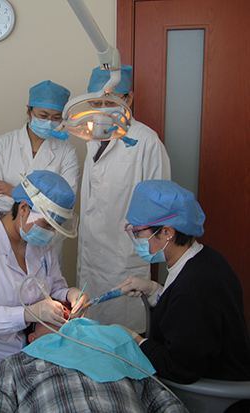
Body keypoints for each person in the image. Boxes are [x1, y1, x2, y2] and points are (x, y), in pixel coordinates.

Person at [0, 170, 89, 413]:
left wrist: (70, 294)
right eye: (47, 225)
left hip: (23, 353)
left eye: (56, 228)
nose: (51, 233)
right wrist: (27, 314)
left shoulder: (41, 245)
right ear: (23, 209)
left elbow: (54, 286)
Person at [116, 180, 250, 387]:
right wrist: (156, 291)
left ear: (167, 232)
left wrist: (135, 340)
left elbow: (179, 368)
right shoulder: (206, 259)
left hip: (212, 390)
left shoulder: (192, 290)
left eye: (138, 232)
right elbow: (188, 320)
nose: (136, 239)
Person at [76, 65, 171, 333]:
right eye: (96, 103)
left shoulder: (146, 142)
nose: (102, 109)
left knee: (124, 336)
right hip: (91, 255)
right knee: (90, 333)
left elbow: (160, 207)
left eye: (110, 101)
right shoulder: (92, 137)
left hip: (123, 258)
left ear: (129, 98)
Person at [0, 320, 188, 413]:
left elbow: (162, 400)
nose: (63, 319)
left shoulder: (114, 348)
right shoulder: (16, 364)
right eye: (49, 318)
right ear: (32, 338)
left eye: (67, 313)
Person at [0, 80, 79, 221]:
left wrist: (12, 191)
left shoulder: (67, 152)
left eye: (56, 118)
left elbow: (62, 203)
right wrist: (38, 201)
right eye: (43, 116)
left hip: (42, 229)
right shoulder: (2, 144)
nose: (49, 122)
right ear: (29, 111)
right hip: (2, 225)